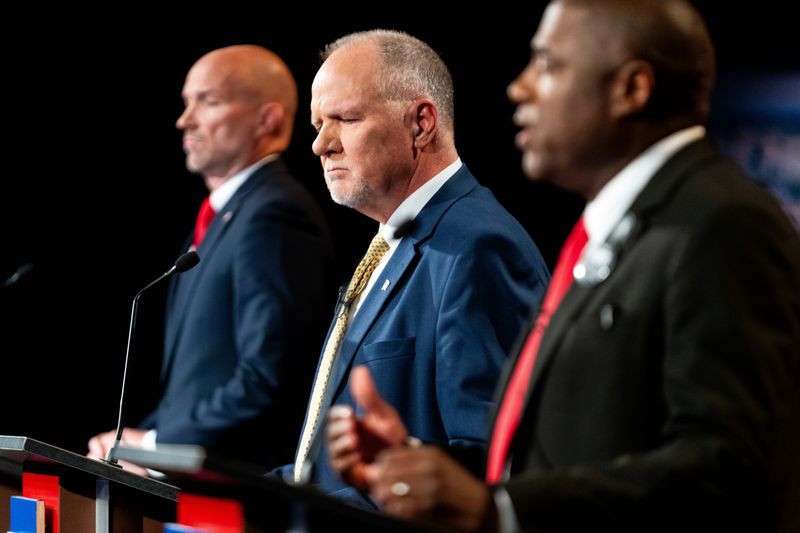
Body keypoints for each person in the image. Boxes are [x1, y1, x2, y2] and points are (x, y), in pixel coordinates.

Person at [326, 2, 800, 532]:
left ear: (632, 89)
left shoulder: (723, 223)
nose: (519, 88)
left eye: (549, 66)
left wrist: (502, 510)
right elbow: (560, 445)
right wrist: (420, 466)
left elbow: (727, 468)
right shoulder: (617, 229)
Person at [276, 29, 549, 508]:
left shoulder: (476, 247)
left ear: (422, 123)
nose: (321, 146)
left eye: (345, 118)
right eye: (318, 124)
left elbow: (486, 465)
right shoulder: (392, 244)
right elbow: (319, 469)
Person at [87, 45, 334, 471]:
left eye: (209, 101)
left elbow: (268, 377)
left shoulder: (276, 214)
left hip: (239, 495)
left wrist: (157, 443)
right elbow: (197, 385)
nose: (185, 120)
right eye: (186, 103)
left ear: (267, 119)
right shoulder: (221, 217)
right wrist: (129, 441)